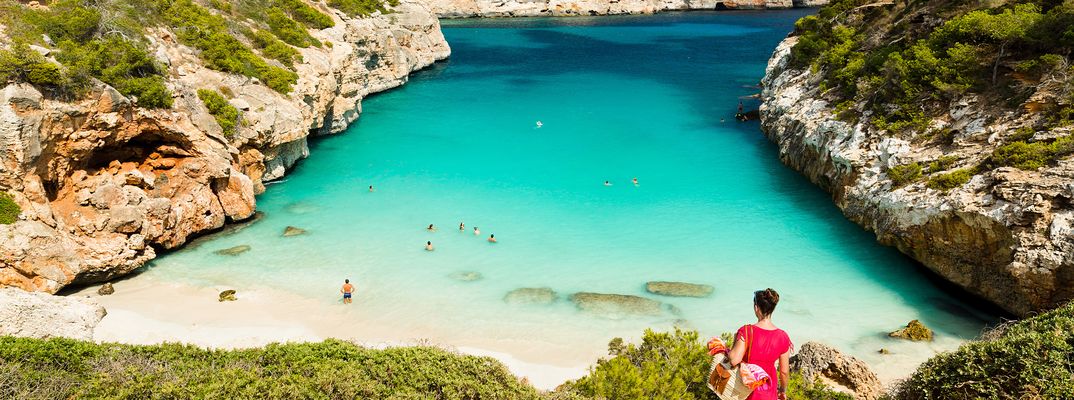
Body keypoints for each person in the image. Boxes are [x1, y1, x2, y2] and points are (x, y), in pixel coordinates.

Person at [726, 288, 792, 400]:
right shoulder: (783, 336)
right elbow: (784, 372)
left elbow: (734, 360)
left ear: (756, 308)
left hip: (745, 392)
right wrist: (782, 391)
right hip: (769, 393)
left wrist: (728, 349)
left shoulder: (746, 331)